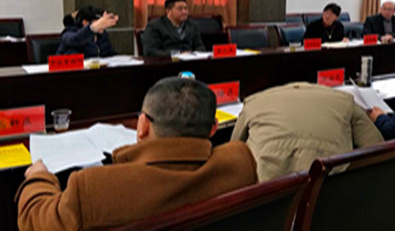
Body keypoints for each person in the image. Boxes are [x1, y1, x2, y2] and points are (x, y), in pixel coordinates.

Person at [17, 77, 257, 230]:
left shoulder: (95, 187)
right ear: (213, 128)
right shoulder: (240, 161)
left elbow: (34, 219)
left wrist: (39, 177)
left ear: (142, 126)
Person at [231, 82, 383, 181]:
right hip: (331, 199)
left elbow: (232, 154)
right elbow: (378, 148)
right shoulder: (344, 101)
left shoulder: (253, 104)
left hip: (269, 204)